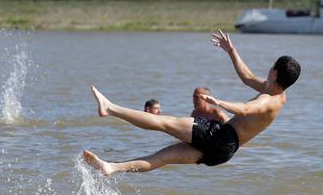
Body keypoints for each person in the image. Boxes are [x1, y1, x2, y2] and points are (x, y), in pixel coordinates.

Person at [84, 30, 301, 175]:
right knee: (162, 158)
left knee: (165, 123)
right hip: (224, 151)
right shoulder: (278, 93)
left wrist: (218, 101)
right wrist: (231, 51)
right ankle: (111, 168)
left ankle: (110, 108)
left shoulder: (267, 100)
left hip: (220, 137)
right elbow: (246, 76)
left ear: (274, 72)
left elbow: (245, 109)